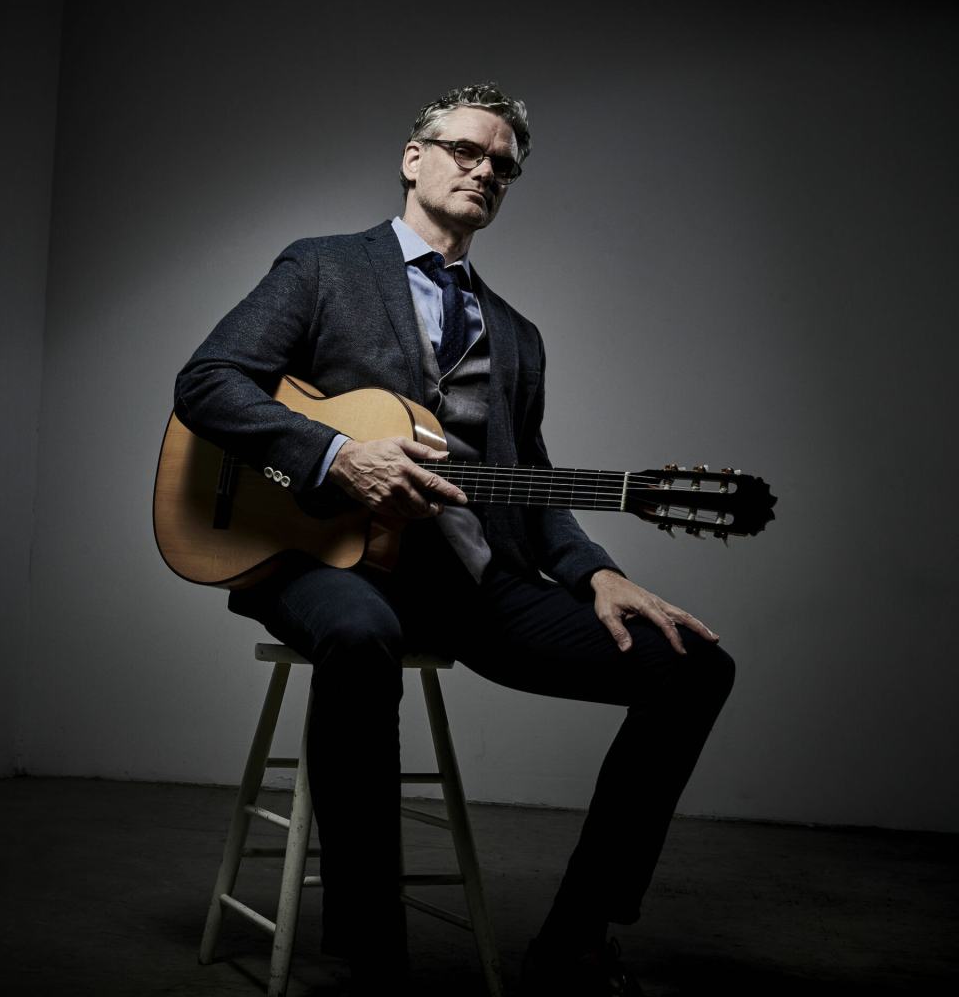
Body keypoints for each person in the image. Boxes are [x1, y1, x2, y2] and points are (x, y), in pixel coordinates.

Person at [174, 83, 734, 997]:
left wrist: (596, 570)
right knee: (362, 634)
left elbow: (532, 481)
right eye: (467, 151)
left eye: (502, 166)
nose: (485, 171)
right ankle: (373, 956)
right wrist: (337, 456)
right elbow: (208, 384)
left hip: (468, 581)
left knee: (695, 668)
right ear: (415, 158)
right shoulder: (323, 267)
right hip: (318, 558)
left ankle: (577, 939)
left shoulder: (518, 336)